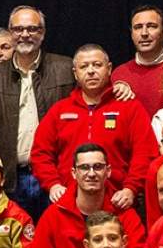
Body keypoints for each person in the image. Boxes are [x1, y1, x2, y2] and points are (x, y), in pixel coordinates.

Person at [0, 5, 74, 215]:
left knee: (55, 241)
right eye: (18, 29)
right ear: (10, 33)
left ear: (42, 33)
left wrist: (120, 86)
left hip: (55, 177)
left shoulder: (66, 69)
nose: (25, 35)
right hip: (12, 178)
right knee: (16, 243)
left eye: (32, 29)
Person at [28, 44, 154, 212]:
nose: (91, 71)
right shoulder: (60, 110)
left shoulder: (130, 108)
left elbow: (145, 152)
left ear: (109, 69)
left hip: (117, 203)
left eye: (97, 65)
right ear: (75, 73)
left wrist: (130, 189)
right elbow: (40, 153)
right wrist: (53, 185)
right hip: (69, 203)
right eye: (84, 66)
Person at [114, 5, 163, 114]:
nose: (144, 33)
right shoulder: (119, 74)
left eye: (152, 26)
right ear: (132, 34)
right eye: (138, 27)